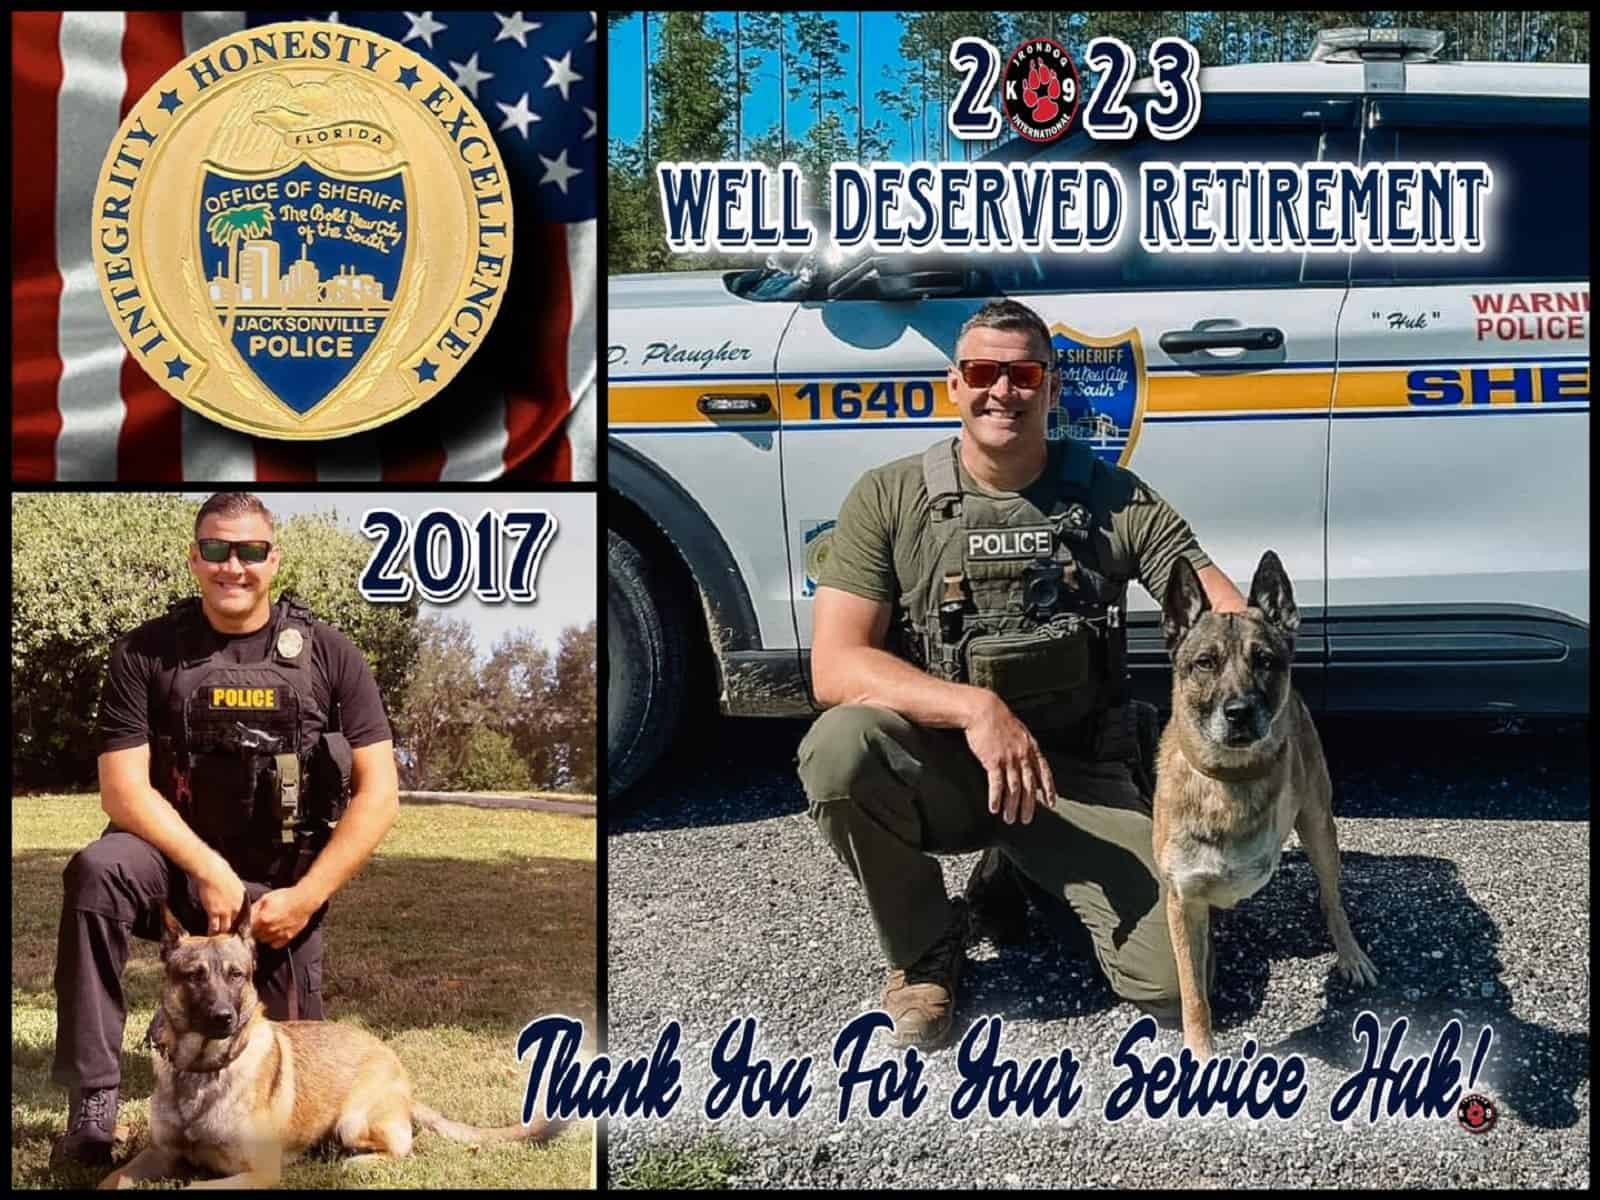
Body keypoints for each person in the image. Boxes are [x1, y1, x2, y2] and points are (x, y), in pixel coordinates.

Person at [797, 298, 1248, 1049]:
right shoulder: (889, 496)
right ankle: (924, 951)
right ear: (954, 384)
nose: (1001, 390)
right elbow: (836, 665)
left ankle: (1022, 870)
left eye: (1023, 373)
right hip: (951, 766)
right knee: (840, 748)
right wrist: (976, 709)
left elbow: (1225, 618)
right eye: (982, 372)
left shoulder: (1112, 498)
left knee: (1174, 981)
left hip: (1075, 777)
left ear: (1051, 386)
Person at [51, 492, 400, 1166]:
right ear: (194, 558)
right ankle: (92, 1099)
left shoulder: (330, 653)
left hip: (279, 888)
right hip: (172, 867)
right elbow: (122, 787)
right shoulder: (146, 652)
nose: (231, 565)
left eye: (249, 551)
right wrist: (207, 869)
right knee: (96, 873)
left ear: (274, 559)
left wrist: (303, 899)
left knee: (291, 1092)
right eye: (215, 549)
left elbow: (378, 795)